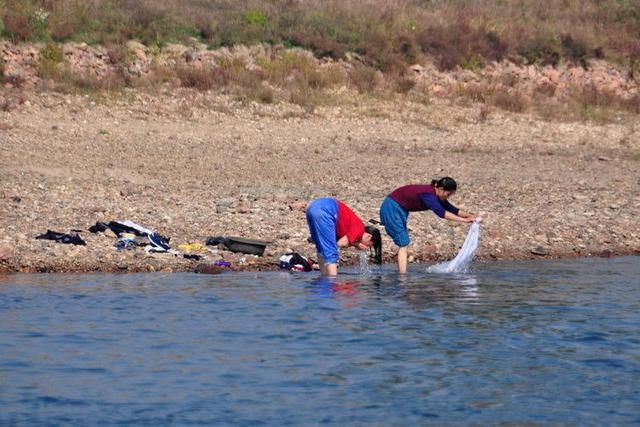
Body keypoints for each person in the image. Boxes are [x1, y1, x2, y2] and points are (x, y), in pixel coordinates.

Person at [379, 177, 478, 274]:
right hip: (392, 208)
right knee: (403, 243)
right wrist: (464, 221)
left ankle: (402, 272)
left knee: (404, 242)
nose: (447, 197)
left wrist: (471, 216)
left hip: (400, 209)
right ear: (441, 189)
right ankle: (402, 277)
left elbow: (452, 209)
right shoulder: (429, 195)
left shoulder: (437, 195)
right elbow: (441, 213)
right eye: (448, 194)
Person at [306, 198, 382, 276]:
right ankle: (332, 282)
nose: (365, 247)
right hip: (327, 210)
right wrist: (356, 244)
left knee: (321, 249)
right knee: (330, 253)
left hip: (312, 208)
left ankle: (324, 278)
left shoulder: (352, 227)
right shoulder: (360, 229)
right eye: (368, 245)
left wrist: (355, 244)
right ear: (369, 237)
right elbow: (340, 244)